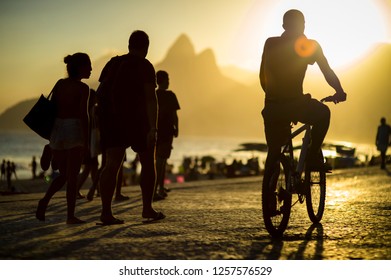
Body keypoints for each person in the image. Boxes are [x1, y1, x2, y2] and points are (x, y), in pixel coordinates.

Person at [259, 10, 347, 197]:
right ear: (303, 25)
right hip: (296, 104)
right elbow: (327, 71)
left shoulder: (270, 43)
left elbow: (262, 77)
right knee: (323, 114)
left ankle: (269, 198)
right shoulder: (309, 46)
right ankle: (313, 155)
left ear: (283, 26)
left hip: (272, 107)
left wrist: (273, 98)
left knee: (274, 151)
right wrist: (339, 91)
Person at [98, 30, 164, 225]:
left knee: (111, 165)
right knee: (147, 163)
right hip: (138, 121)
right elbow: (151, 99)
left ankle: (106, 213)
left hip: (113, 121)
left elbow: (100, 93)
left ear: (129, 45)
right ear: (146, 47)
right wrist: (153, 127)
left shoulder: (112, 63)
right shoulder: (145, 66)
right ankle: (147, 209)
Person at [35, 52, 91, 224]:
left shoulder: (60, 84)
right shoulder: (83, 88)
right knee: (72, 177)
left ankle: (44, 201)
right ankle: (70, 216)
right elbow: (83, 115)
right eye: (88, 65)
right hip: (73, 130)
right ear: (80, 68)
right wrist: (87, 140)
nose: (91, 69)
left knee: (65, 175)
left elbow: (54, 107)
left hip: (57, 130)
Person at [154, 70, 180, 201]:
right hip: (166, 132)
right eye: (167, 79)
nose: (168, 82)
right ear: (162, 81)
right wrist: (177, 128)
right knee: (161, 161)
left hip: (156, 131)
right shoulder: (170, 95)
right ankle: (157, 189)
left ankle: (159, 187)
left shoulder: (153, 95)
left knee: (159, 161)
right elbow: (175, 115)